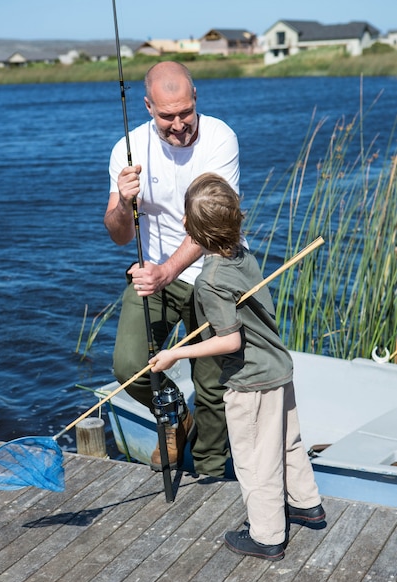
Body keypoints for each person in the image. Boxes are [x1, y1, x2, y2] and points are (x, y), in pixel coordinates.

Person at [150, 172, 325, 560]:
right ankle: (306, 503)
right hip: (277, 365)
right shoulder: (243, 254)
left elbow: (230, 340)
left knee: (255, 459)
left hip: (251, 380)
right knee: (286, 441)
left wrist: (176, 354)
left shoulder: (209, 280)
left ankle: (267, 536)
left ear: (190, 230)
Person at [104, 61, 240, 477]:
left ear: (195, 97)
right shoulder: (127, 147)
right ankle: (177, 418)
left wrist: (166, 270)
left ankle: (211, 476)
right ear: (148, 106)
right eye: (167, 116)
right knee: (129, 369)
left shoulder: (220, 138)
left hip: (215, 273)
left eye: (185, 112)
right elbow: (119, 235)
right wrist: (124, 204)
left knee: (213, 388)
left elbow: (212, 226)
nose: (179, 124)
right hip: (157, 275)